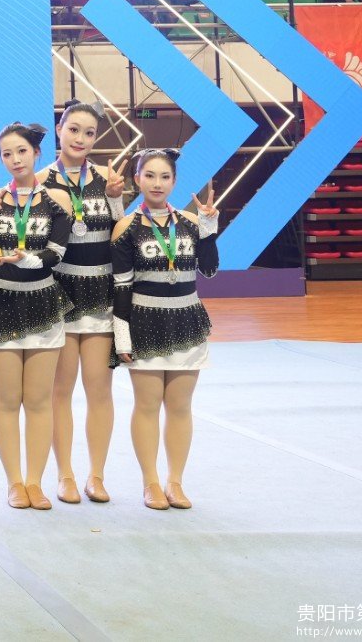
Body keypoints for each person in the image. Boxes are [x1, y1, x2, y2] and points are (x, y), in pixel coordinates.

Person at [0, 122, 73, 511]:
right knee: (7, 399)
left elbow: (57, 253)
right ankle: (14, 482)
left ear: (37, 154)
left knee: (40, 400)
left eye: (22, 151)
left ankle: (35, 482)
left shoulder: (56, 200)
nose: (15, 159)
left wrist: (27, 259)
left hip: (43, 301)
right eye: (7, 154)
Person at [111, 149, 220, 511]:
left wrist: (209, 230)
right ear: (137, 179)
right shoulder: (126, 227)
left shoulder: (190, 221)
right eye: (149, 175)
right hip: (145, 323)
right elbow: (121, 287)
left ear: (174, 181)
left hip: (187, 321)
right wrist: (122, 337)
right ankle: (151, 483)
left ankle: (175, 482)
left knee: (180, 406)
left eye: (165, 177)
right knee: (146, 405)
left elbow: (209, 271)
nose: (157, 183)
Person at [41, 101, 126, 506]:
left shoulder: (110, 179)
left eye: (89, 133)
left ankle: (96, 475)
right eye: (73, 129)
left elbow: (121, 234)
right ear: (60, 129)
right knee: (60, 390)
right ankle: (65, 475)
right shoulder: (40, 180)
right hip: (59, 293)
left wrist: (116, 200)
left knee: (99, 389)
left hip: (100, 294)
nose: (80, 138)